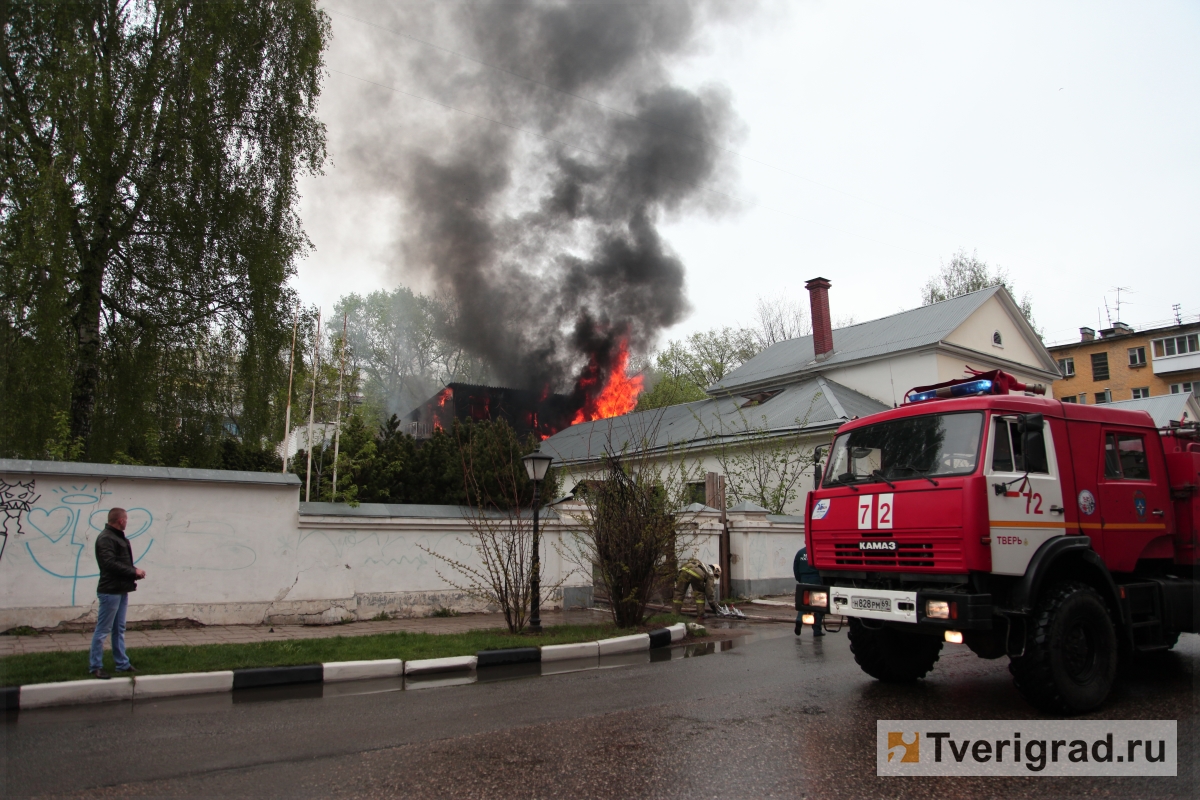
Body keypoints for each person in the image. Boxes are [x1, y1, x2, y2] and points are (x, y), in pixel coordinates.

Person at [89, 508, 146, 679]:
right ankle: (95, 666)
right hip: (110, 591)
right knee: (103, 630)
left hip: (120, 589)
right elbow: (109, 563)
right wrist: (133, 571)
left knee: (119, 629)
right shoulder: (106, 538)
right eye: (126, 519)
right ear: (120, 520)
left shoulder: (116, 537)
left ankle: (122, 664)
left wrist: (132, 573)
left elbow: (118, 562)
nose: (127, 522)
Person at [793, 546, 831, 637]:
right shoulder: (817, 551)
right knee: (819, 605)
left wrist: (800, 579)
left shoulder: (800, 552)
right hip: (816, 579)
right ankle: (817, 630)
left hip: (804, 579)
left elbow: (796, 568)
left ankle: (799, 620)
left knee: (804, 603)